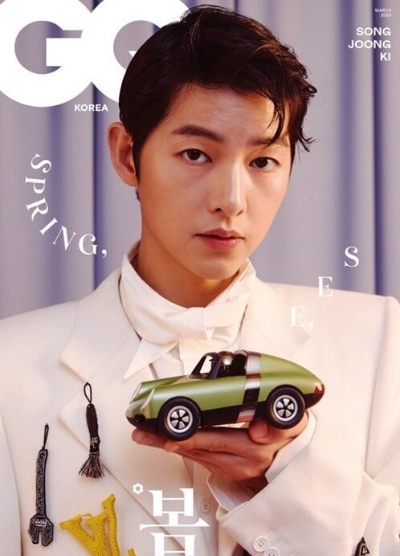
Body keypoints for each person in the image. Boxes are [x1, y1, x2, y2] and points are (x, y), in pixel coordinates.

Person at [0, 6, 399, 556]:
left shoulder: (380, 340)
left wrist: (289, 468)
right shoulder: (10, 366)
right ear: (127, 155)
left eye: (262, 162)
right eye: (195, 154)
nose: (231, 201)